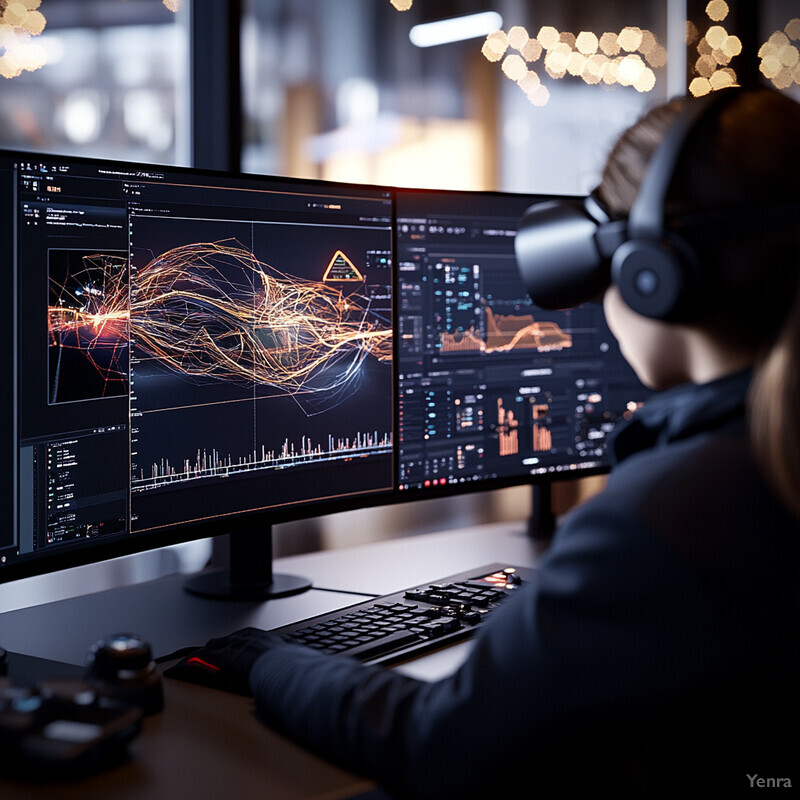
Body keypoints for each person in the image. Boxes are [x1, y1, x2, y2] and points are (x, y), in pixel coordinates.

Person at [169, 87, 800, 798]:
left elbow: (442, 741)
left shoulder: (670, 516)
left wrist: (270, 662)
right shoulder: (756, 465)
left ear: (652, 274)